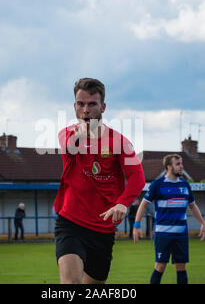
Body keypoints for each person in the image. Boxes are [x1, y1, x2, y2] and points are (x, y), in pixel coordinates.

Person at [54, 78, 145, 284]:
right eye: (80, 104)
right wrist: (81, 136)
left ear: (103, 107)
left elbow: (137, 177)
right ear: (75, 107)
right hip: (70, 222)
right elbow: (68, 145)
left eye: (92, 104)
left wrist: (123, 202)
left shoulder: (119, 142)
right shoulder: (67, 134)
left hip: (103, 229)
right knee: (70, 283)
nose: (85, 109)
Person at [133, 154, 205, 284]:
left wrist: (203, 223)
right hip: (163, 234)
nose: (181, 167)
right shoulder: (158, 184)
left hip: (181, 235)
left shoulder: (185, 185)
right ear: (169, 167)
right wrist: (137, 225)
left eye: (181, 163)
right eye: (178, 164)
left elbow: (193, 206)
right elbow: (143, 204)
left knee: (181, 267)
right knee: (160, 266)